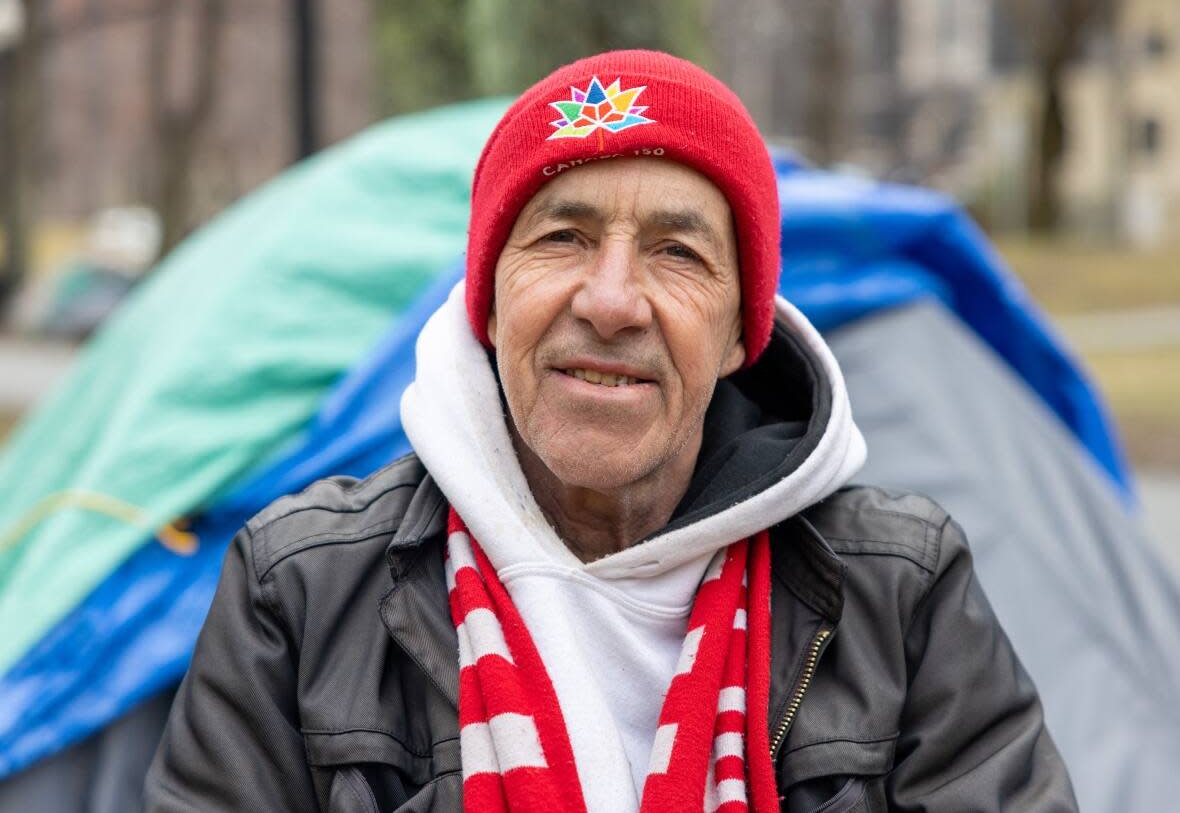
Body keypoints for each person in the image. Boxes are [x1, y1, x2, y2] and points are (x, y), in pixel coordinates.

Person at [145, 50, 1078, 812]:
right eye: (562, 237)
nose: (612, 301)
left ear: (737, 333)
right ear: (490, 299)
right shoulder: (302, 591)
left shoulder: (897, 590)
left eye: (677, 252)